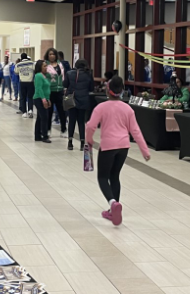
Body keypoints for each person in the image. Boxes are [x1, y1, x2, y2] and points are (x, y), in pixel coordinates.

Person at [86, 76, 151, 226]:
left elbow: (90, 126)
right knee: (115, 176)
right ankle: (114, 211)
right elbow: (135, 130)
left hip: (108, 146)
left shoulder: (101, 107)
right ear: (122, 91)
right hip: (123, 147)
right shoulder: (127, 108)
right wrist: (145, 151)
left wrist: (89, 140)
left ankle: (112, 203)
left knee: (102, 177)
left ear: (108, 91)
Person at [64, 59, 94, 151]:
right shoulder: (88, 74)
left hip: (72, 99)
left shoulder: (69, 73)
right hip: (84, 100)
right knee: (81, 122)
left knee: (71, 121)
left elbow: (65, 84)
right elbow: (91, 88)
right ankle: (82, 143)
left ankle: (70, 142)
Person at [44, 48, 67, 136]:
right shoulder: (45, 65)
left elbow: (63, 77)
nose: (52, 56)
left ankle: (63, 130)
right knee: (49, 112)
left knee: (62, 111)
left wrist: (64, 87)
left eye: (53, 54)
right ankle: (48, 129)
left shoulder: (60, 64)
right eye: (50, 54)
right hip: (50, 91)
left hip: (60, 90)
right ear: (47, 55)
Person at [33, 60, 52, 143]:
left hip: (44, 98)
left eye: (46, 66)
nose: (46, 67)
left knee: (40, 117)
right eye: (44, 66)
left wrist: (48, 99)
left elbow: (46, 89)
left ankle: (37, 135)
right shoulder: (38, 76)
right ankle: (45, 136)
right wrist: (44, 100)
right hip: (39, 98)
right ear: (40, 67)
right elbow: (39, 88)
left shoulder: (44, 76)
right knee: (44, 117)